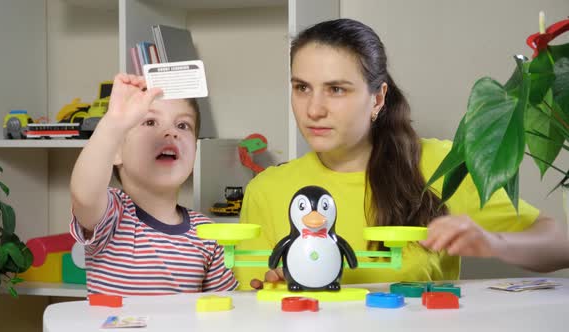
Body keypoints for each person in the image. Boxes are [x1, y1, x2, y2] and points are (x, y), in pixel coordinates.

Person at [234, 18, 569, 290]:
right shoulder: (267, 189)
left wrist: (494, 243)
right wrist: (272, 288)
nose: (313, 109)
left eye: (336, 89)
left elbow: (560, 244)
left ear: (378, 99)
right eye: (301, 87)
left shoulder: (439, 165)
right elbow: (255, 297)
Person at [70, 74, 238, 296]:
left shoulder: (207, 234)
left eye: (183, 125)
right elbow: (84, 195)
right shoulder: (112, 215)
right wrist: (115, 122)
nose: (171, 132)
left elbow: (222, 309)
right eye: (150, 122)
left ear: (195, 152)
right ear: (116, 151)